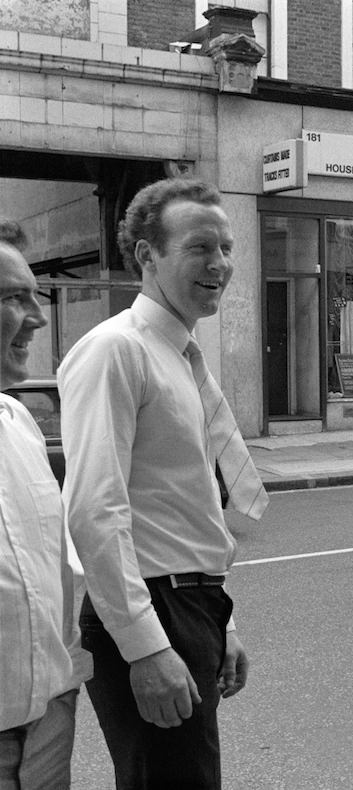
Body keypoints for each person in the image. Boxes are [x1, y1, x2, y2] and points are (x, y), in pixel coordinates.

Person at [59, 178, 268, 789]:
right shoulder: (116, 352)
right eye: (201, 247)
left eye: (227, 247)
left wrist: (221, 623)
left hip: (191, 604)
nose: (221, 264)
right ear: (148, 256)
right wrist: (146, 647)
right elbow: (95, 510)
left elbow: (187, 504)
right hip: (153, 608)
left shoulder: (179, 356)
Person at [0, 241, 88, 789]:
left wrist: (65, 683)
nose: (37, 317)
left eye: (36, 295)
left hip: (50, 723)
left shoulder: (18, 421)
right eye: (13, 298)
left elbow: (54, 568)